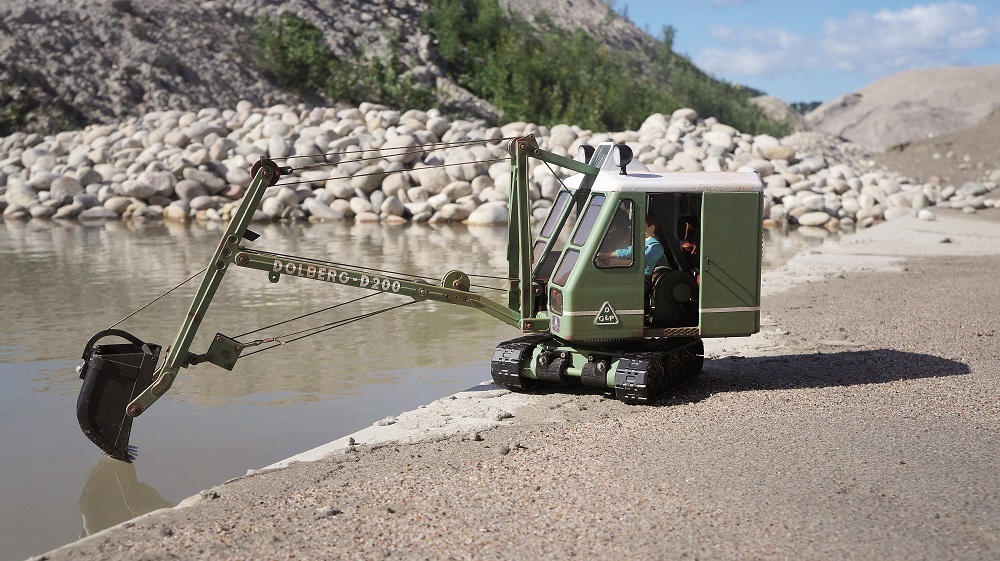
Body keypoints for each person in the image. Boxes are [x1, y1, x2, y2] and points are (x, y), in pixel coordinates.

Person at [597, 214, 665, 277]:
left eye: (642, 226)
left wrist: (622, 263)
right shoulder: (642, 243)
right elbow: (628, 252)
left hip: (642, 278)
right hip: (633, 273)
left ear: (652, 228)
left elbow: (642, 263)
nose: (639, 229)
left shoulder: (656, 248)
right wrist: (605, 255)